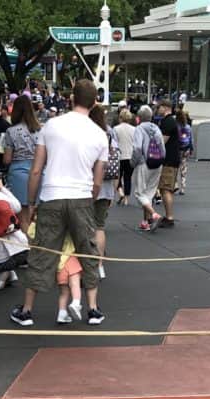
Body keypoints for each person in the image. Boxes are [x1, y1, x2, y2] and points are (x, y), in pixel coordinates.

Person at [11, 79, 108, 327]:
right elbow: (98, 181)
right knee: (87, 252)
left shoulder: (51, 126)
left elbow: (36, 170)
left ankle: (26, 310)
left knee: (42, 252)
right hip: (82, 198)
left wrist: (31, 202)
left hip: (51, 196)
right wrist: (88, 199)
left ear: (72, 98)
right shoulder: (100, 134)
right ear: (94, 102)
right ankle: (93, 309)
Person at [89, 103, 118, 279]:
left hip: (86, 184)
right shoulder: (109, 133)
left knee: (84, 226)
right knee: (99, 226)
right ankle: (100, 265)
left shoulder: (86, 131)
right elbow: (115, 158)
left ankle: (85, 263)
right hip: (106, 185)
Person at [1, 94, 42, 207]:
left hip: (18, 174)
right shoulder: (40, 130)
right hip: (39, 173)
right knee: (37, 211)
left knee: (22, 212)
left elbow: (7, 160)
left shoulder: (11, 131)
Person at [131, 105, 164, 232]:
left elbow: (137, 148)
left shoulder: (139, 129)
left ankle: (154, 215)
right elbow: (162, 146)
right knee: (149, 193)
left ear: (139, 117)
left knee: (139, 193)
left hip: (143, 163)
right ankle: (146, 221)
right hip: (157, 162)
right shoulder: (156, 128)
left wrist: (133, 162)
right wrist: (161, 159)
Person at [156, 98, 181, 227]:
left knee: (165, 189)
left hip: (169, 160)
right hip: (172, 159)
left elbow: (162, 142)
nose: (157, 109)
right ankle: (168, 216)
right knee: (166, 189)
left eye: (159, 107)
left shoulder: (167, 122)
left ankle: (169, 217)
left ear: (165, 107)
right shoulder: (172, 121)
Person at [113, 107, 137, 205]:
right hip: (130, 156)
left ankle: (120, 191)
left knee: (117, 176)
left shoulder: (116, 129)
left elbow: (114, 143)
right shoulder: (134, 129)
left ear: (120, 117)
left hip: (119, 156)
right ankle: (126, 198)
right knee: (128, 177)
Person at [177, 110, 194, 193]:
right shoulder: (188, 127)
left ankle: (175, 185)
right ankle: (183, 187)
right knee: (183, 167)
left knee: (176, 167)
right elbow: (191, 138)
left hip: (178, 149)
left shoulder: (177, 126)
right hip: (186, 148)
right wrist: (191, 148)